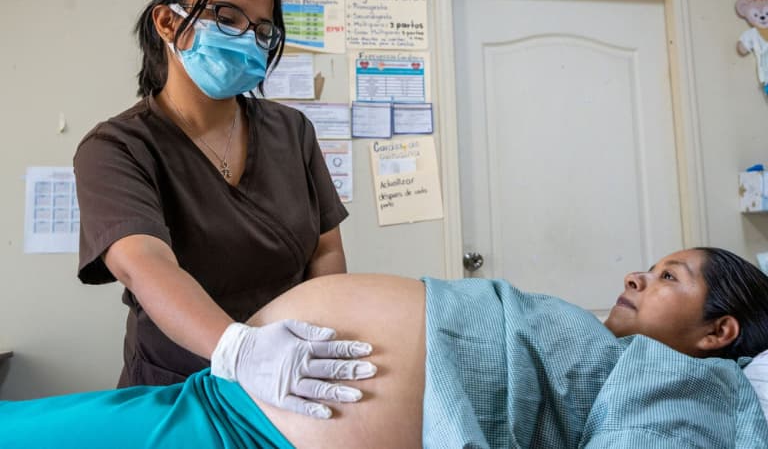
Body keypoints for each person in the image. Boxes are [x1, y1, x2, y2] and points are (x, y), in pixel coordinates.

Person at [3, 247, 768, 448]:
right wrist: (240, 349)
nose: (637, 272)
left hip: (264, 427)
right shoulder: (605, 353)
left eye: (670, 275)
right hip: (234, 393)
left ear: (720, 332)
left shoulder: (699, 385)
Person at [72, 0, 373, 419]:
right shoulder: (116, 149)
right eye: (228, 19)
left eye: (263, 29)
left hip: (290, 383)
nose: (249, 39)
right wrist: (239, 349)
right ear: (167, 21)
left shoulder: (292, 131)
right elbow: (143, 263)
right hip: (177, 391)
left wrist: (317, 339)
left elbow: (325, 250)